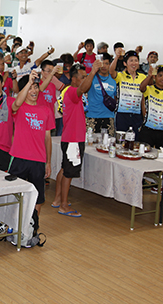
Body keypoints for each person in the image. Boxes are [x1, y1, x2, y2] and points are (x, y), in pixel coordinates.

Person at [8, 71, 54, 223]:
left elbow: (48, 138)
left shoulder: (46, 110)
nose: (34, 91)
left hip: (38, 160)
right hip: (19, 158)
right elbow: (16, 103)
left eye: (35, 87)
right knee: (14, 194)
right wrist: (28, 82)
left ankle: (32, 227)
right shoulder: (19, 108)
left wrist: (48, 162)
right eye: (30, 88)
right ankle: (12, 224)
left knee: (38, 196)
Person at [52, 63, 91, 217]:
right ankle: (63, 206)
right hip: (73, 140)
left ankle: (57, 200)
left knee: (64, 168)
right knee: (68, 172)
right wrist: (94, 71)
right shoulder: (73, 91)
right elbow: (83, 88)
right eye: (83, 77)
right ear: (74, 79)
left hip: (70, 137)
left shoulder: (70, 92)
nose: (85, 80)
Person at [109, 49, 146, 135]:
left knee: (135, 139)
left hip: (137, 114)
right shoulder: (120, 75)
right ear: (125, 63)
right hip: (122, 114)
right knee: (121, 139)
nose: (134, 63)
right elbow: (111, 71)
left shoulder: (143, 77)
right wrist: (117, 57)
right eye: (131, 60)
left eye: (136, 60)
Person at [138, 65, 163, 149]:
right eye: (160, 75)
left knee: (162, 155)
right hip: (148, 130)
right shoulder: (149, 89)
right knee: (144, 153)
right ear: (155, 77)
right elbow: (141, 88)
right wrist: (149, 75)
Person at [85, 53, 116, 135]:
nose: (104, 66)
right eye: (102, 63)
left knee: (108, 141)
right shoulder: (91, 77)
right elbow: (83, 89)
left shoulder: (114, 80)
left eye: (106, 63)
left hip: (109, 117)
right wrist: (93, 71)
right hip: (92, 116)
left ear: (110, 64)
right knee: (90, 141)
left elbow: (116, 97)